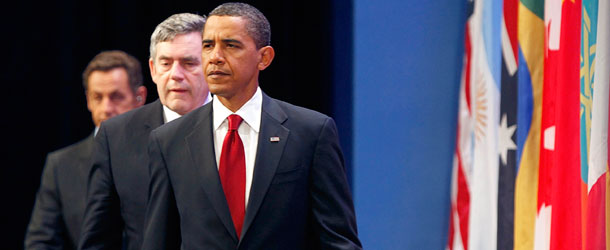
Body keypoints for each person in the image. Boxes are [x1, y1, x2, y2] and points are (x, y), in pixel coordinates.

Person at [142, 3, 362, 249]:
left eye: (231, 45)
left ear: (264, 57)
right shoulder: (169, 140)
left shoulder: (311, 132)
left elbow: (337, 240)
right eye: (208, 46)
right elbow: (159, 240)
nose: (215, 57)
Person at [78, 13, 210, 250]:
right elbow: (99, 238)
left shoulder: (236, 126)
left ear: (210, 65)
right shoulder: (116, 136)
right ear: (153, 69)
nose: (176, 74)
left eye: (189, 63)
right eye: (166, 63)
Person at [25, 50, 147, 249]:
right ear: (88, 100)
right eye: (98, 97)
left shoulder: (161, 150)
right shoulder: (61, 165)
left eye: (116, 97)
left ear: (140, 97)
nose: (106, 108)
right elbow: (41, 242)